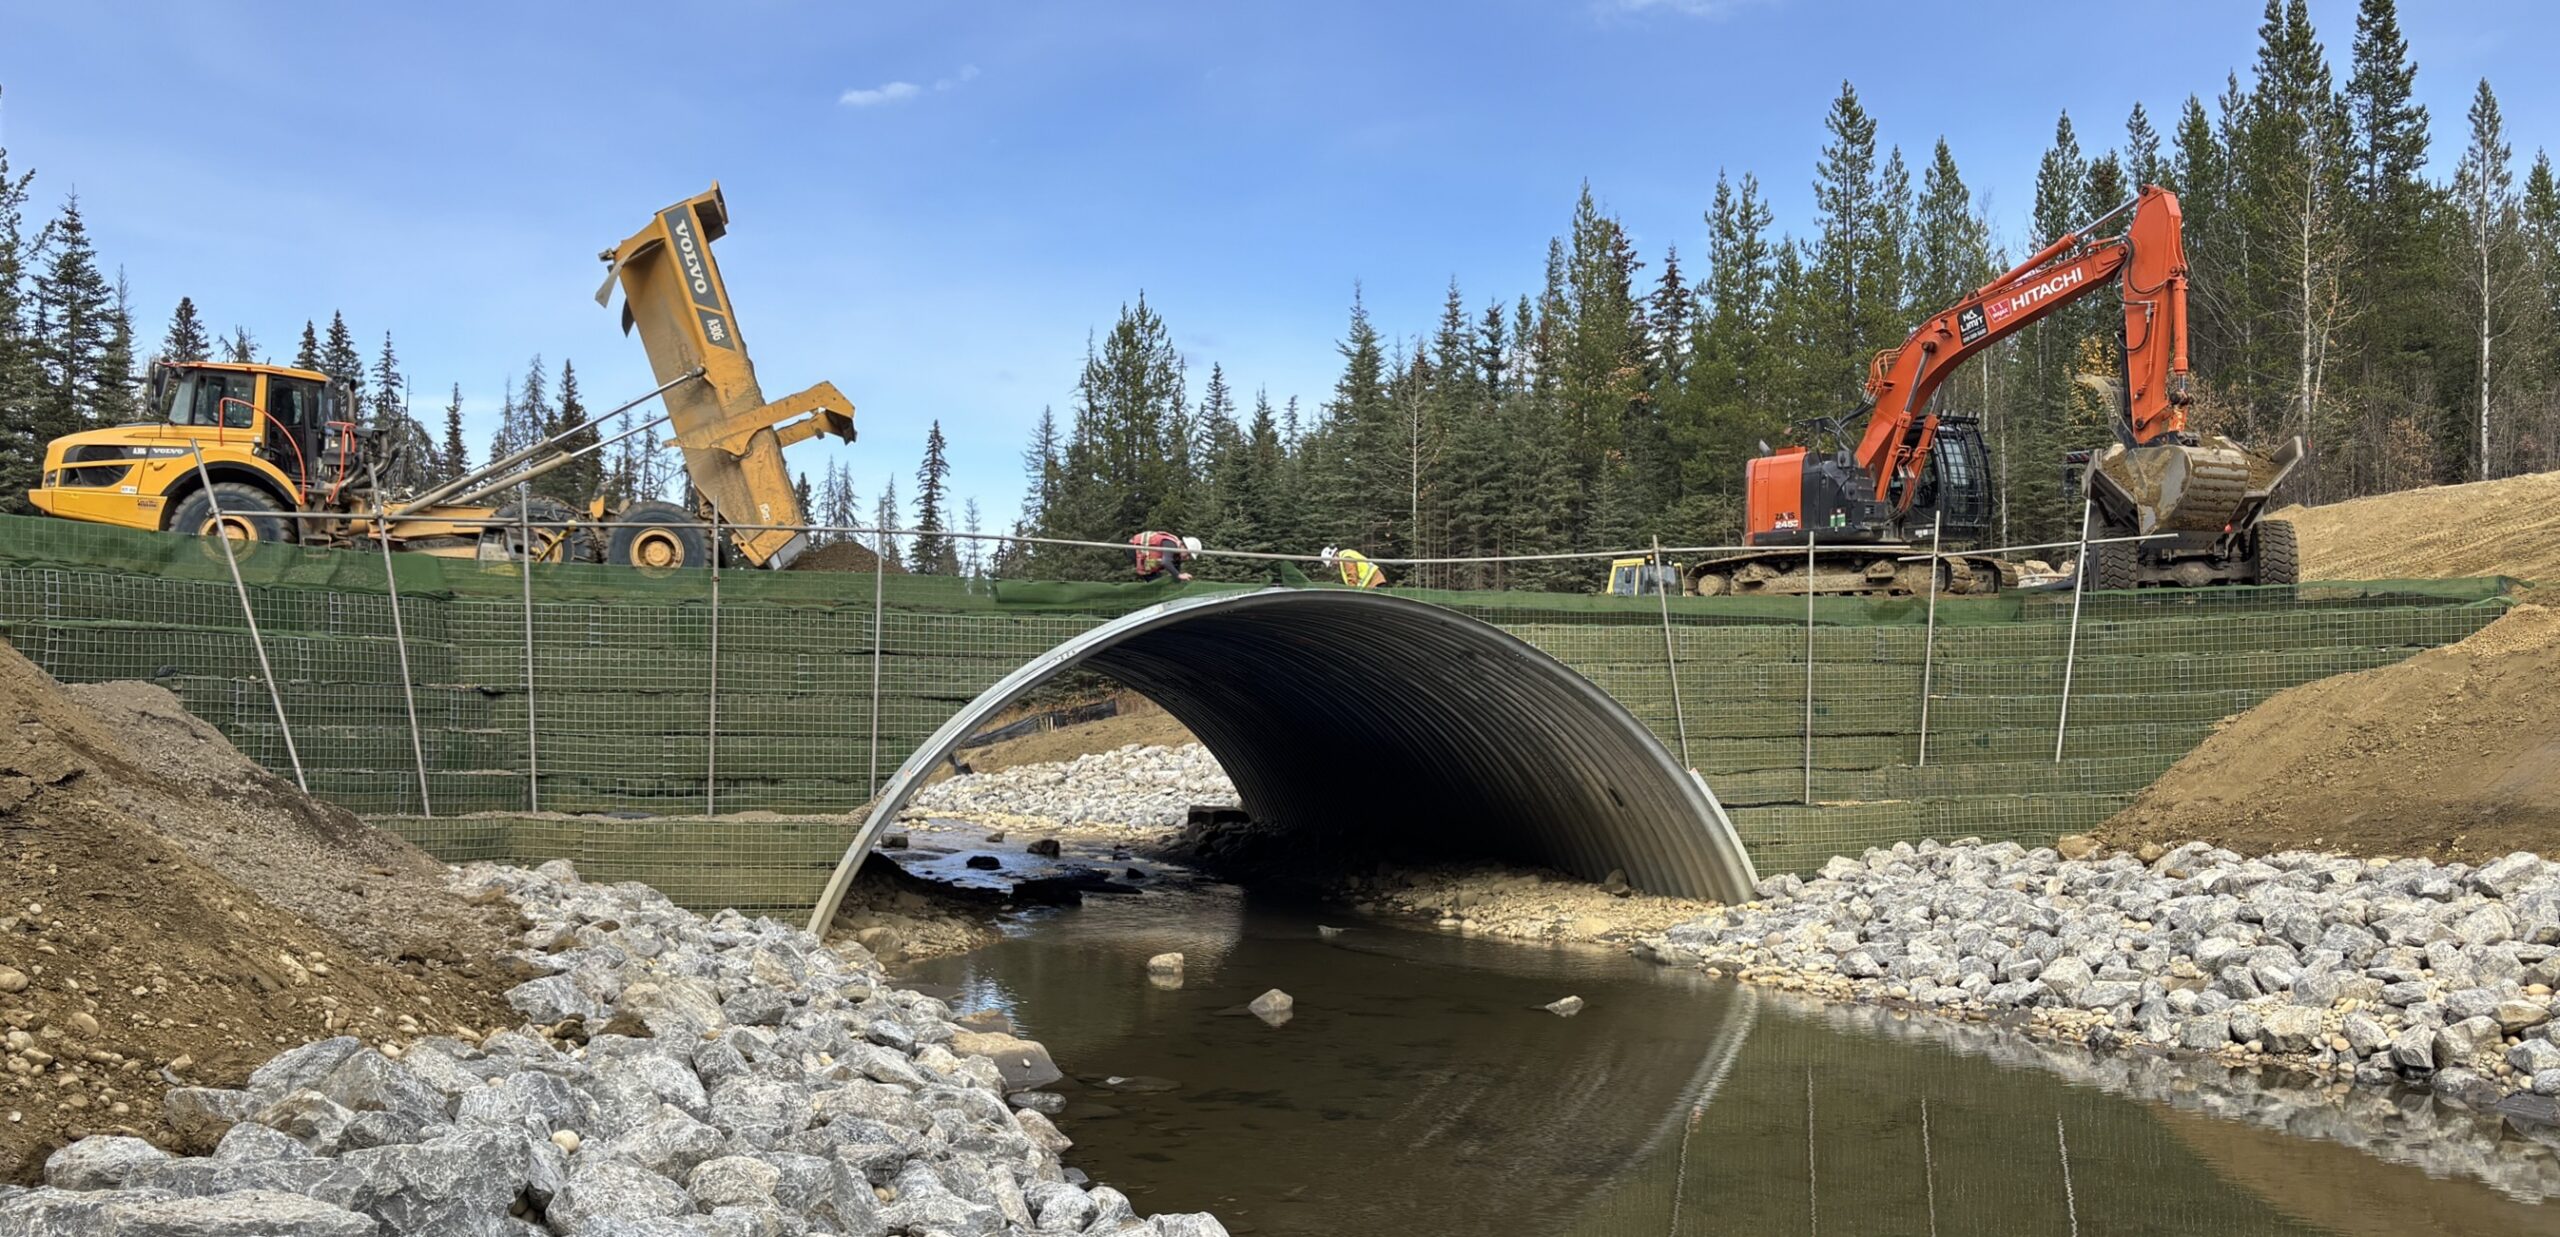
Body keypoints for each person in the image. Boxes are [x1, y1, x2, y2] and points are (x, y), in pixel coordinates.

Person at [1130, 530, 1200, 582]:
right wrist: (1179, 575)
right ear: (1183, 546)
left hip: (1147, 559)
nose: (1187, 558)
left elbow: (1176, 571)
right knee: (1154, 581)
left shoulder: (1177, 557)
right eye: (1188, 554)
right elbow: (1166, 562)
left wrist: (1178, 577)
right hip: (1134, 548)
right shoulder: (1171, 544)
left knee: (1156, 578)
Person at [1320, 545, 1387, 589]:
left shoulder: (1346, 559)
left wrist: (1352, 592)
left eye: (1332, 562)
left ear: (1334, 556)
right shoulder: (1345, 555)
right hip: (1373, 582)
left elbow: (1352, 575)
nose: (1334, 564)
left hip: (1374, 582)